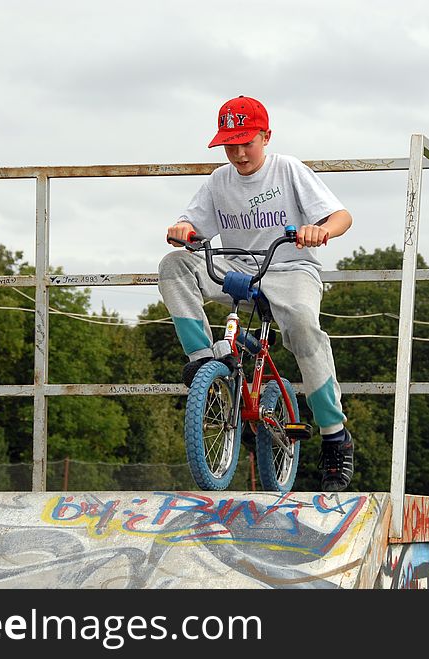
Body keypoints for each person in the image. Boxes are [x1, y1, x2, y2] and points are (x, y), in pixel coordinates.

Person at [158, 95, 355, 492]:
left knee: (303, 326)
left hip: (288, 269)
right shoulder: (218, 181)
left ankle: (334, 434)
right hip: (237, 271)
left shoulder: (288, 170)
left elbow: (342, 216)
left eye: (247, 142)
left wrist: (322, 231)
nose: (239, 153)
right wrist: (180, 228)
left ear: (266, 136)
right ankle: (203, 363)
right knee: (173, 265)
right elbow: (189, 222)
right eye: (231, 144)